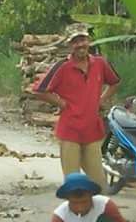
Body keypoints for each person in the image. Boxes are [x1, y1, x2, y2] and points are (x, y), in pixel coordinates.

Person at [33, 24, 121, 188]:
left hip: (92, 130)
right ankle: (74, 213)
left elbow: (115, 82)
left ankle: (99, 213)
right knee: (73, 184)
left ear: (89, 41)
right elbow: (39, 90)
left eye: (83, 40)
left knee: (99, 185)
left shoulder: (100, 64)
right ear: (69, 45)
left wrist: (102, 99)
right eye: (75, 41)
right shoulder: (62, 67)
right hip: (70, 131)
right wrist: (61, 103)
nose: (80, 44)